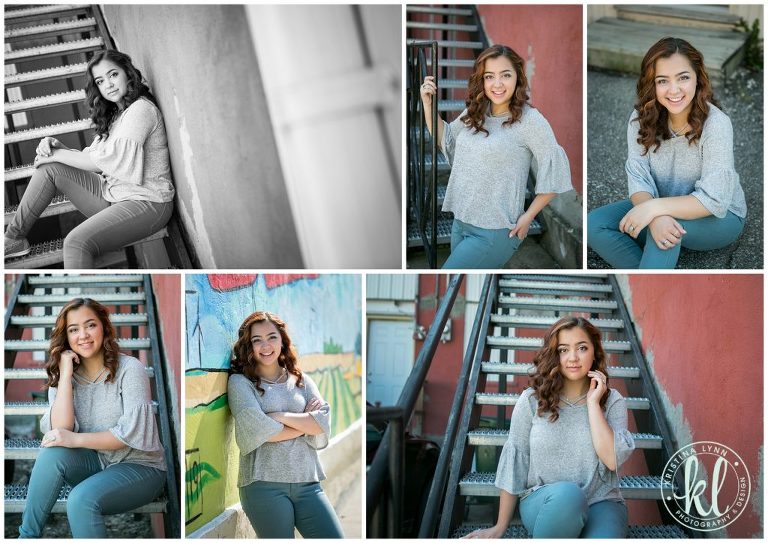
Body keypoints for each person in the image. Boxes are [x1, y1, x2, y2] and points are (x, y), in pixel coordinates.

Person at [464, 316, 634, 539]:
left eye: (582, 348)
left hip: (600, 502)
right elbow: (517, 459)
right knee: (569, 497)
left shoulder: (613, 401)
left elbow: (611, 459)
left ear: (595, 352)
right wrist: (499, 527)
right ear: (555, 354)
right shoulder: (531, 400)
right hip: (545, 501)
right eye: (564, 350)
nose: (573, 358)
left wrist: (593, 404)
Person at [4, 50, 175, 268]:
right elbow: (92, 157)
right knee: (50, 168)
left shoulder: (141, 109)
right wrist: (57, 146)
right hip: (113, 194)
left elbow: (101, 162)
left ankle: (81, 302)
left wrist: (57, 154)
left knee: (76, 242)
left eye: (113, 75)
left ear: (128, 73)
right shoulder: (116, 115)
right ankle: (13, 239)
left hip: (148, 203)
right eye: (101, 81)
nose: (109, 85)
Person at [587, 37, 747, 269]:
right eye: (663, 81)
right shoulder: (639, 119)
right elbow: (639, 178)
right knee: (595, 224)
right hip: (663, 204)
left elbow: (714, 200)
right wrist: (655, 214)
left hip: (720, 216)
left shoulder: (717, 124)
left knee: (663, 234)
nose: (674, 90)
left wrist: (654, 211)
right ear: (652, 84)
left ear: (698, 78)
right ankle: (648, 274)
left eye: (683, 77)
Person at [19, 298, 166, 538]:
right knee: (52, 452)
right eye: (73, 329)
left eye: (90, 325)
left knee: (80, 500)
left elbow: (129, 434)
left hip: (141, 467)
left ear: (104, 327)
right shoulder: (63, 376)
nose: (83, 335)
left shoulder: (130, 369)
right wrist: (65, 375)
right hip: (97, 464)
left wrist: (75, 440)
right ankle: (26, 536)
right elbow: (61, 429)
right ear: (65, 337)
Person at [419, 44, 572, 269]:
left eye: (505, 75)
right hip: (460, 222)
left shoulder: (530, 120)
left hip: (494, 231)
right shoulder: (476, 112)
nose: (497, 84)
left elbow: (556, 169)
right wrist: (428, 104)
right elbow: (447, 140)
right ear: (481, 80)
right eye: (489, 76)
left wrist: (529, 215)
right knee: (455, 281)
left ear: (517, 77)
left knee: (448, 280)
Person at [227, 311, 344, 539]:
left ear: (282, 341)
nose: (265, 345)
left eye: (272, 337)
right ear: (248, 346)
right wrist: (305, 424)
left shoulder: (301, 379)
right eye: (256, 340)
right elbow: (259, 431)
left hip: (308, 483)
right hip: (263, 485)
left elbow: (323, 421)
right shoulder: (240, 383)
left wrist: (279, 415)